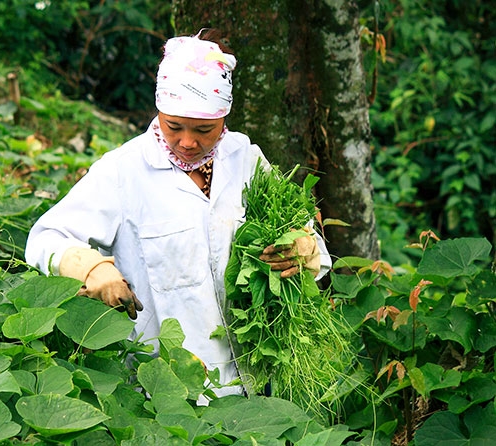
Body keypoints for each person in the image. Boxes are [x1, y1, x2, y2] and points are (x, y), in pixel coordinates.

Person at [25, 29, 332, 400]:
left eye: (204, 129)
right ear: (158, 112)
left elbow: (305, 235)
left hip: (253, 378)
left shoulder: (246, 160)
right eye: (174, 127)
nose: (188, 142)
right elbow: (46, 238)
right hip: (164, 384)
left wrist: (304, 249)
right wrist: (92, 269)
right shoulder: (123, 171)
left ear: (224, 117)